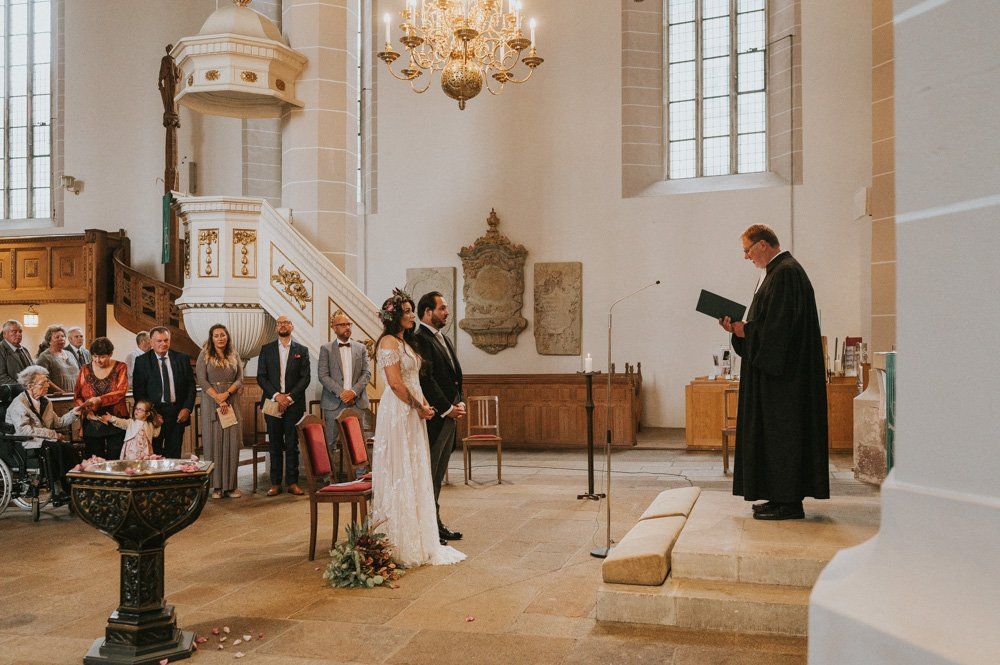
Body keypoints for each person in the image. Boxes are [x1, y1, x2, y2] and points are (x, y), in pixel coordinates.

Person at [719, 224, 829, 520]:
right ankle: (779, 496)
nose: (746, 257)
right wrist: (741, 331)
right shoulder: (776, 274)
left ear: (763, 245)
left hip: (785, 383)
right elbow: (768, 327)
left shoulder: (786, 273)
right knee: (774, 436)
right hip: (775, 378)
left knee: (783, 436)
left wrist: (747, 331)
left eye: (747, 250)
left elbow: (779, 333)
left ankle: (789, 502)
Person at [372, 289, 465, 567]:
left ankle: (421, 532)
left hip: (415, 411)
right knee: (401, 469)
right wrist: (419, 405)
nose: (412, 315)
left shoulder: (408, 342)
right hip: (399, 411)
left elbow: (417, 379)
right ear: (395, 316)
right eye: (407, 311)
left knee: (417, 469)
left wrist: (425, 405)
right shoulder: (388, 343)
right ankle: (398, 534)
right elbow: (397, 384)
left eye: (413, 310)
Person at [415, 291, 466, 543]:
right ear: (427, 312)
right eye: (442, 308)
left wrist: (460, 400)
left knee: (439, 473)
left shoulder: (443, 337)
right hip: (436, 417)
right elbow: (427, 379)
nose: (447, 312)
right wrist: (447, 408)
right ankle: (429, 527)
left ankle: (436, 523)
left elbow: (454, 375)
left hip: (450, 413)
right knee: (431, 474)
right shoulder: (420, 338)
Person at [5, 365, 81, 501]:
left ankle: (73, 487)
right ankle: (57, 490)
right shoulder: (19, 404)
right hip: (24, 442)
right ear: (30, 386)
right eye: (43, 383)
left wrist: (74, 413)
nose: (47, 385)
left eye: (47, 381)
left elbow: (58, 422)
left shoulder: (45, 401)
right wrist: (53, 434)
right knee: (55, 447)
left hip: (42, 440)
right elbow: (23, 430)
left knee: (68, 448)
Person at [257, 315, 310, 496]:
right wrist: (277, 396)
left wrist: (289, 398)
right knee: (275, 444)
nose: (283, 325)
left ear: (292, 327)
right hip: (272, 403)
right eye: (280, 323)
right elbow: (261, 377)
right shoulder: (266, 349)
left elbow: (305, 378)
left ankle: (293, 482)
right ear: (276, 327)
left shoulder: (301, 350)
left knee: (292, 444)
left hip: (293, 405)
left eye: (286, 322)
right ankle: (275, 483)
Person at [318, 311, 371, 481]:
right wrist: (342, 393)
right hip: (334, 402)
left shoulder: (361, 348)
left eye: (349, 324)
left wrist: (353, 392)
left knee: (358, 442)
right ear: (334, 328)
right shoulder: (326, 349)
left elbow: (366, 374)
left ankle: (360, 477)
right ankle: (329, 478)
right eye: (342, 325)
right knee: (330, 442)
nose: (347, 327)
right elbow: (323, 375)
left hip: (356, 402)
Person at [196, 323, 244, 499]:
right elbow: (201, 379)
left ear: (227, 336)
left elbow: (240, 379)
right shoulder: (204, 355)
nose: (220, 338)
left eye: (222, 335)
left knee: (232, 444)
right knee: (213, 444)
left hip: (231, 401)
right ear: (211, 338)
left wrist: (227, 394)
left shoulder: (234, 354)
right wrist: (217, 397)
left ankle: (232, 486)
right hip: (211, 402)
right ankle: (216, 487)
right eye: (216, 335)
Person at [132, 327, 196, 458]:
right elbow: (139, 393)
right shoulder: (142, 361)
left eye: (166, 340)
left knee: (174, 454)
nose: (163, 344)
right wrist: (152, 414)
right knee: (153, 455)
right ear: (151, 342)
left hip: (177, 413)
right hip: (154, 415)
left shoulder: (182, 358)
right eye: (159, 341)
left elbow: (191, 387)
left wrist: (187, 408)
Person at [74, 337, 130, 460]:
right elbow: (77, 396)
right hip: (92, 421)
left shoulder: (120, 367)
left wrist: (99, 399)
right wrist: (86, 410)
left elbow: (121, 392)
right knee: (94, 459)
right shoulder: (85, 369)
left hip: (116, 419)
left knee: (115, 458)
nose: (98, 360)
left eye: (102, 357)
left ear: (110, 354)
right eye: (94, 356)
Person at [94, 399, 162, 460]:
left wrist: (158, 425)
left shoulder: (150, 424)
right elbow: (121, 422)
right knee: (132, 464)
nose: (137, 411)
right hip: (131, 451)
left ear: (147, 414)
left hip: (145, 452)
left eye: (140, 409)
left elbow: (155, 434)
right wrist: (111, 418)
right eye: (136, 408)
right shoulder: (131, 422)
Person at [36, 325, 80, 393]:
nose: (61, 338)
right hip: (57, 397)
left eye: (62, 336)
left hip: (75, 395)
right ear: (49, 341)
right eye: (57, 337)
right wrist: (62, 392)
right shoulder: (45, 357)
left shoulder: (70, 354)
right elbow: (43, 378)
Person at [0, 320, 33, 386]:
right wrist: (23, 388)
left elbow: (32, 369)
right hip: (10, 394)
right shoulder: (1, 349)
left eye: (20, 332)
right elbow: (2, 378)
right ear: (4, 334)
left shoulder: (24, 350)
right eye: (14, 332)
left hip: (28, 392)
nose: (18, 334)